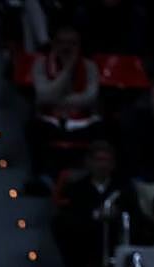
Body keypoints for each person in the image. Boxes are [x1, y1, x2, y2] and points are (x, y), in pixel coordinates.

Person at [51, 142, 137, 267]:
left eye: (106, 160)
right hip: (86, 237)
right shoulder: (77, 188)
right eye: (98, 160)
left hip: (114, 234)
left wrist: (116, 214)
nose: (102, 165)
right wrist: (94, 215)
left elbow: (133, 212)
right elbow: (73, 214)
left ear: (113, 164)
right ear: (89, 162)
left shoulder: (123, 188)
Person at [25, 25, 101, 183]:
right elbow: (43, 96)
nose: (67, 47)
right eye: (62, 42)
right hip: (51, 120)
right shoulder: (41, 64)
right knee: (32, 127)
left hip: (82, 121)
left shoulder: (90, 66)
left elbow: (90, 98)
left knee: (106, 129)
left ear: (79, 45)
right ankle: (41, 177)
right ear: (54, 44)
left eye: (72, 43)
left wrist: (57, 99)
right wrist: (67, 70)